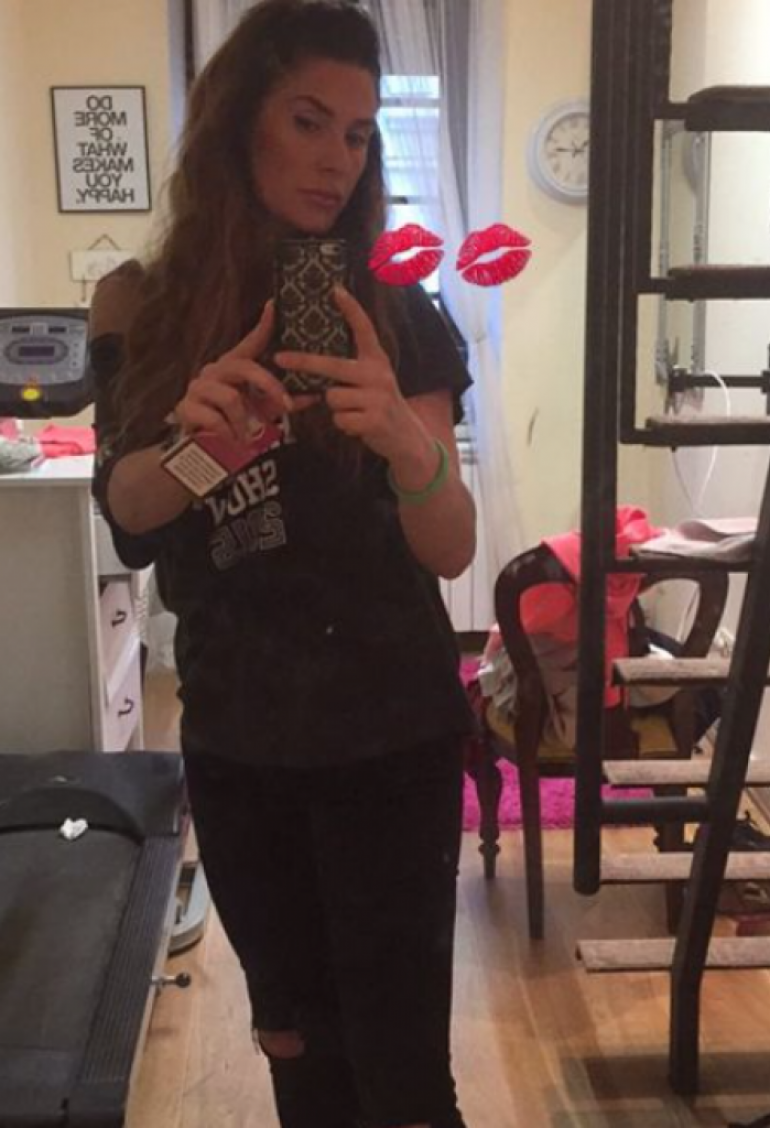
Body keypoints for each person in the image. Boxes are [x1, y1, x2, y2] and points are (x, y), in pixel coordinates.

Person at [89, 3, 476, 1126]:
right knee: (296, 1050)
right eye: (308, 120)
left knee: (403, 1074)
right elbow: (129, 516)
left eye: (356, 133)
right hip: (241, 742)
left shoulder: (398, 309)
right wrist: (199, 448)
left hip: (392, 736)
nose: (335, 158)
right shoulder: (141, 306)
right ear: (237, 122)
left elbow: (449, 544)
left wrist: (406, 444)